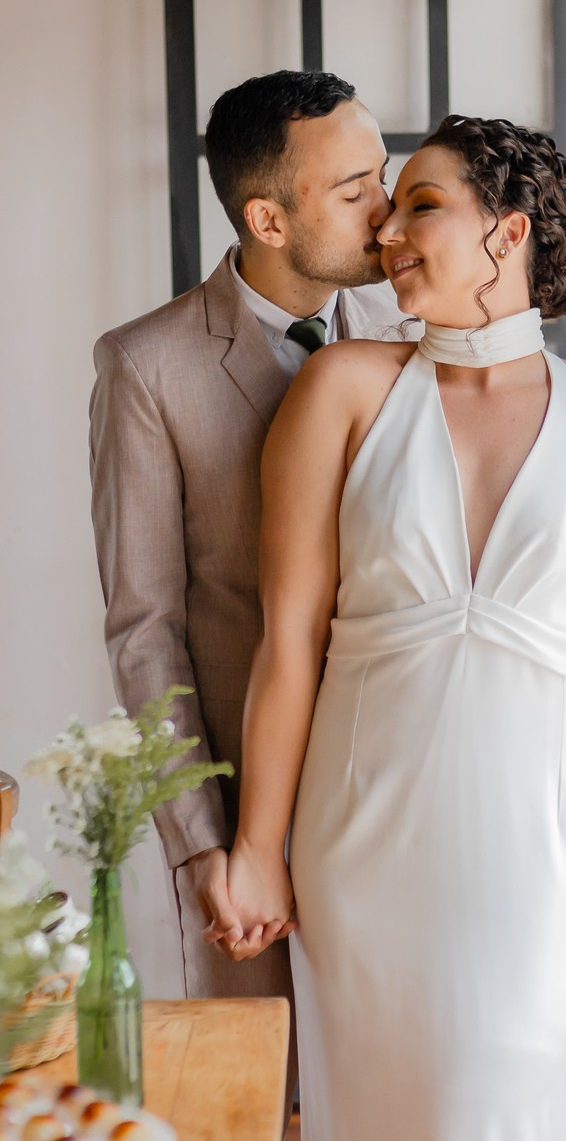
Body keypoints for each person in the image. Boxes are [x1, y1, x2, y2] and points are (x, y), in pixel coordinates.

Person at [223, 113, 566, 1141]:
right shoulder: (342, 389)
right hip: (359, 848)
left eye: (420, 205)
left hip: (544, 860)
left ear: (508, 233)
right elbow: (288, 645)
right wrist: (256, 846)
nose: (386, 233)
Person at [89, 69, 400, 1107]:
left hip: (404, 792)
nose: (387, 208)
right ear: (268, 218)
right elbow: (145, 631)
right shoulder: (146, 367)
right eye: (353, 190)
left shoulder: (415, 328)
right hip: (248, 812)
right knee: (264, 1097)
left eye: (382, 175)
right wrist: (205, 848)